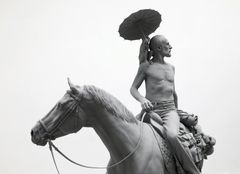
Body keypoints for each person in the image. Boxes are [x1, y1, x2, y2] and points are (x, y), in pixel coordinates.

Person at [130, 35, 201, 174]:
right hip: (151, 111)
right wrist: (143, 100)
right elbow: (133, 89)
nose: (171, 47)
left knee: (172, 135)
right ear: (158, 48)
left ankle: (191, 170)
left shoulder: (171, 68)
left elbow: (173, 92)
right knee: (130, 135)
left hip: (169, 111)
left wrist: (177, 112)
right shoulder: (145, 67)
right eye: (167, 44)